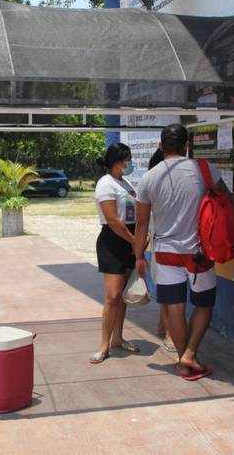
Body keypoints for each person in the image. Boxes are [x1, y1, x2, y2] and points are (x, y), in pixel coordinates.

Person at [134, 123, 234, 381]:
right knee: (204, 304)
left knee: (173, 308)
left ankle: (184, 361)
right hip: (199, 253)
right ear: (186, 146)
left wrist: (138, 256)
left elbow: (142, 224)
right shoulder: (204, 169)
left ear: (161, 146)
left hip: (165, 252)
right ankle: (190, 352)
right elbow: (230, 200)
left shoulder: (147, 179)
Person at [90, 143, 142, 364]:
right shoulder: (105, 184)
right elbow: (112, 219)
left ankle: (118, 339)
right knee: (112, 297)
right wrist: (134, 242)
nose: (129, 164)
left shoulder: (125, 183)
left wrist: (139, 238)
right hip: (113, 241)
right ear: (115, 161)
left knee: (123, 296)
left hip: (130, 240)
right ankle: (104, 345)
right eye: (126, 160)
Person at [147, 149, 175, 352]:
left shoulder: (153, 188)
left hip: (162, 247)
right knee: (168, 294)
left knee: (166, 291)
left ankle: (162, 325)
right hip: (163, 248)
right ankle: (169, 333)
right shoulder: (157, 191)